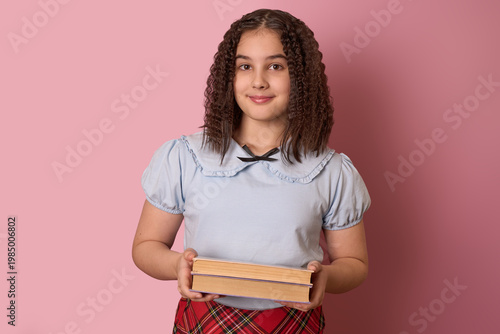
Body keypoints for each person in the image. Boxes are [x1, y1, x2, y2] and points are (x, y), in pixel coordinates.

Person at [132, 8, 371, 334]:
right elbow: (146, 247)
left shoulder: (332, 171)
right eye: (245, 66)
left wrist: (326, 277)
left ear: (301, 76)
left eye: (275, 66)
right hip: (203, 321)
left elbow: (354, 264)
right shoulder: (184, 157)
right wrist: (178, 266)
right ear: (229, 77)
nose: (258, 80)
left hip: (293, 323)